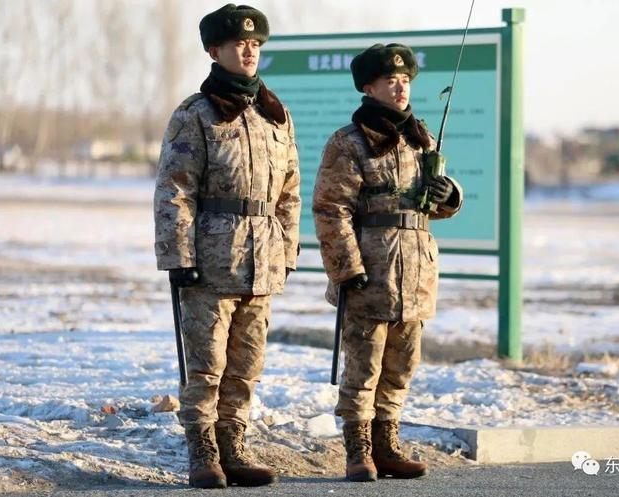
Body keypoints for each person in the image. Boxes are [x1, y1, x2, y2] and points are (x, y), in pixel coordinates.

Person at [153, 3, 300, 489]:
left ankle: (234, 446)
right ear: (215, 51)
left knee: (245, 365)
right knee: (206, 365)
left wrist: (287, 250)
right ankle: (203, 450)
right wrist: (178, 256)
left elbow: (289, 191)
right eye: (239, 44)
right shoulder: (195, 113)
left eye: (255, 44)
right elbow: (175, 189)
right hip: (211, 262)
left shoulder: (276, 114)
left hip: (263, 260)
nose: (249, 51)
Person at [312, 43, 463, 482]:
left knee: (401, 366)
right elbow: (330, 210)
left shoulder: (421, 138)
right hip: (369, 273)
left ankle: (387, 445)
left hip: (415, 273)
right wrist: (347, 269)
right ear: (368, 87)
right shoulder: (349, 141)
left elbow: (431, 206)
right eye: (390, 81)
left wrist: (449, 195)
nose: (400, 88)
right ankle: (358, 450)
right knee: (363, 366)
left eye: (405, 80)